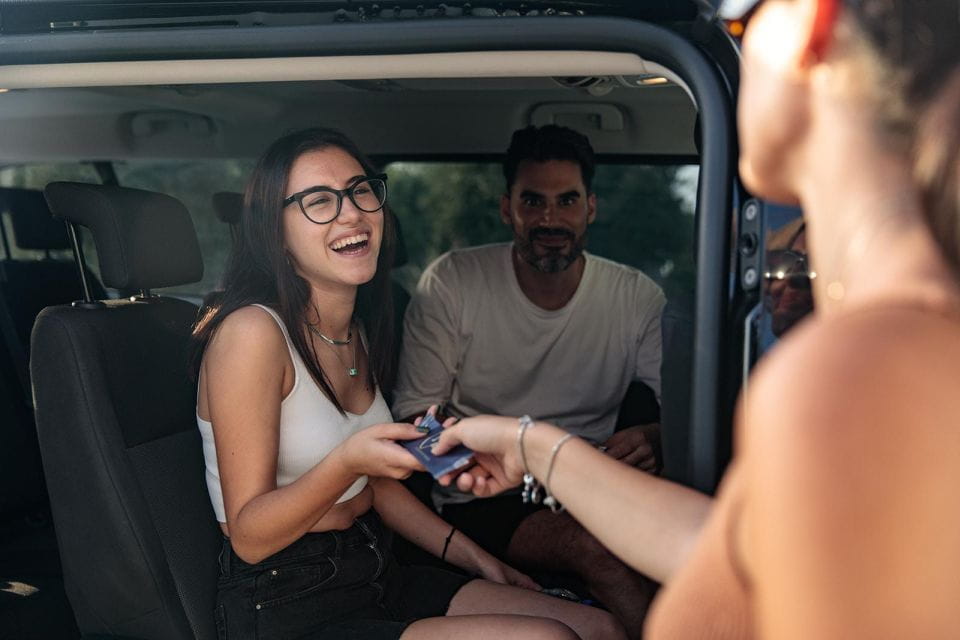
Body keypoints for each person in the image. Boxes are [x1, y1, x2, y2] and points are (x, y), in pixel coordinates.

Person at [435, 0, 960, 637]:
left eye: (734, 17)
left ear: (805, 22)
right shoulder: (900, 350)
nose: (727, 42)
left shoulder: (858, 375)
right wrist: (530, 444)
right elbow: (726, 550)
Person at [191, 128, 626, 640]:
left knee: (600, 628)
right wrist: (350, 459)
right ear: (275, 232)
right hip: (286, 599)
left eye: (360, 191)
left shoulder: (353, 328)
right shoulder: (252, 333)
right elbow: (249, 536)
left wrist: (479, 560)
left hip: (374, 567)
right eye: (318, 202)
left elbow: (373, 486)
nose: (350, 213)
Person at [392, 124, 665, 636]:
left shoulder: (635, 297)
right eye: (533, 201)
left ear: (591, 208)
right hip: (483, 493)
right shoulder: (454, 281)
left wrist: (654, 437)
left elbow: (685, 411)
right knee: (599, 551)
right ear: (507, 208)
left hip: (591, 484)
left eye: (566, 201)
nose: (550, 218)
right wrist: (475, 454)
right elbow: (416, 414)